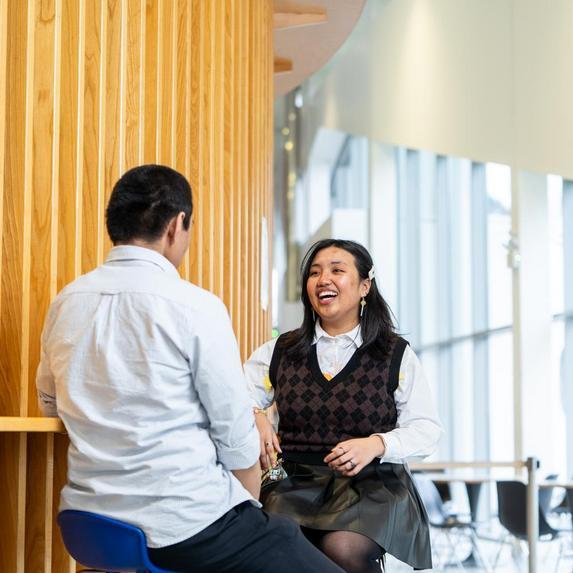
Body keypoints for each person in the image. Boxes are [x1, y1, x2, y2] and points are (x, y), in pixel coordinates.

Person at [36, 165, 344, 573]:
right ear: (176, 226)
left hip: (87, 522)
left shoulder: (66, 302)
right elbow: (236, 436)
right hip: (181, 527)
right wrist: (249, 507)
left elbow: (50, 404)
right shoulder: (194, 306)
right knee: (286, 541)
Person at [245, 239, 443, 573]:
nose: (323, 280)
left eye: (337, 270)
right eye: (315, 273)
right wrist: (256, 415)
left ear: (365, 286)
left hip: (372, 483)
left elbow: (427, 429)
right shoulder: (279, 350)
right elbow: (233, 395)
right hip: (293, 480)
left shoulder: (395, 353)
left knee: (344, 548)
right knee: (277, 542)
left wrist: (376, 443)